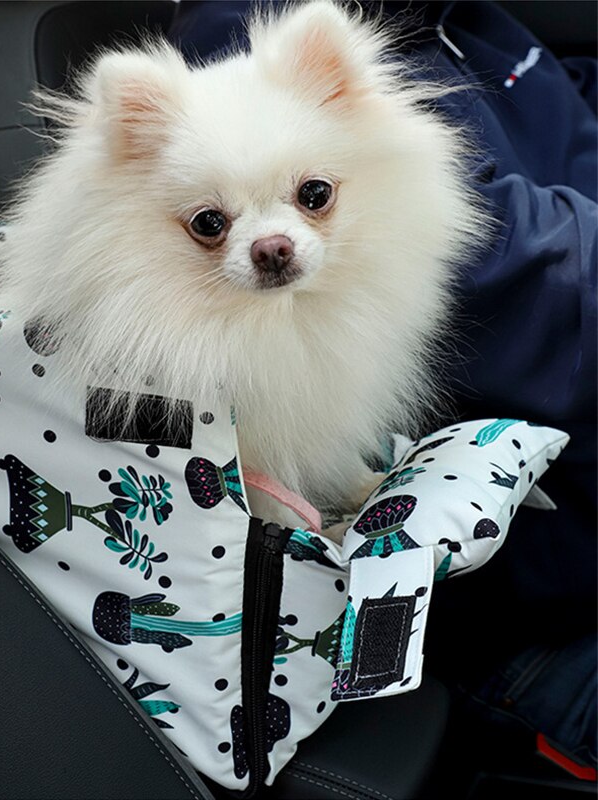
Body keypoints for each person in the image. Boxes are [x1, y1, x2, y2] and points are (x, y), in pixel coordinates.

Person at [168, 0, 597, 774]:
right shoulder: (251, 43)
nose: (271, 237)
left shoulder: (471, 20)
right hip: (523, 597)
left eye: (313, 198)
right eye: (209, 222)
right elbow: (510, 263)